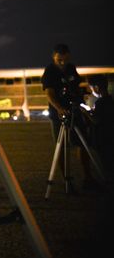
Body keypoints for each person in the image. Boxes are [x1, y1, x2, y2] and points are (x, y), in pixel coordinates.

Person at [41, 43, 97, 191]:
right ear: (54, 56)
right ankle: (67, 180)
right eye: (59, 59)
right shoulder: (50, 71)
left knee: (82, 143)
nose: (62, 62)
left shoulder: (71, 68)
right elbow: (49, 94)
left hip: (74, 110)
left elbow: (75, 87)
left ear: (69, 56)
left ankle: (88, 178)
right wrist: (59, 108)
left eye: (65, 59)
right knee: (62, 147)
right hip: (59, 114)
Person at [89, 74, 113, 180]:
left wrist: (86, 113)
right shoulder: (111, 100)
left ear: (96, 87)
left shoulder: (100, 102)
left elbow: (96, 120)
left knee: (107, 164)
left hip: (103, 138)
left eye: (91, 88)